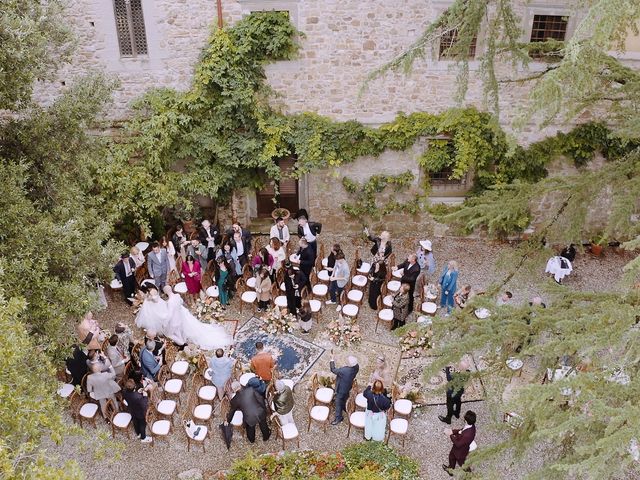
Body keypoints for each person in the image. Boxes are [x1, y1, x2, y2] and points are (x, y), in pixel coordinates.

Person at [163, 285, 232, 350]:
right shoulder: (177, 295)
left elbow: (170, 314)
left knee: (182, 327)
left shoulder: (170, 302)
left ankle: (183, 340)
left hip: (178, 315)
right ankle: (184, 338)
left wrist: (166, 321)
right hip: (183, 312)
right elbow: (181, 302)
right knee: (190, 324)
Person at [443, 410, 477, 476]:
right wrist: (452, 431)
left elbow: (458, 444)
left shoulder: (468, 434)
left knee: (462, 464)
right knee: (451, 457)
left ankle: (469, 475)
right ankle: (451, 471)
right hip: (457, 449)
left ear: (466, 420)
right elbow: (461, 431)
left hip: (460, 452)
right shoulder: (471, 426)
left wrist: (450, 434)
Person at [438, 360, 471, 424]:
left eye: (459, 365)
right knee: (458, 402)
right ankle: (457, 414)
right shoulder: (468, 372)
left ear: (460, 367)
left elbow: (448, 378)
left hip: (452, 393)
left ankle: (448, 418)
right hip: (460, 391)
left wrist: (447, 368)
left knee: (450, 405)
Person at [330, 354, 359, 425]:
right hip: (348, 386)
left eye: (347, 361)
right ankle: (344, 407)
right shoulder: (356, 367)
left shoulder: (344, 371)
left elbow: (333, 369)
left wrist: (332, 359)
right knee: (345, 397)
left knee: (338, 401)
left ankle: (338, 417)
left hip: (341, 389)